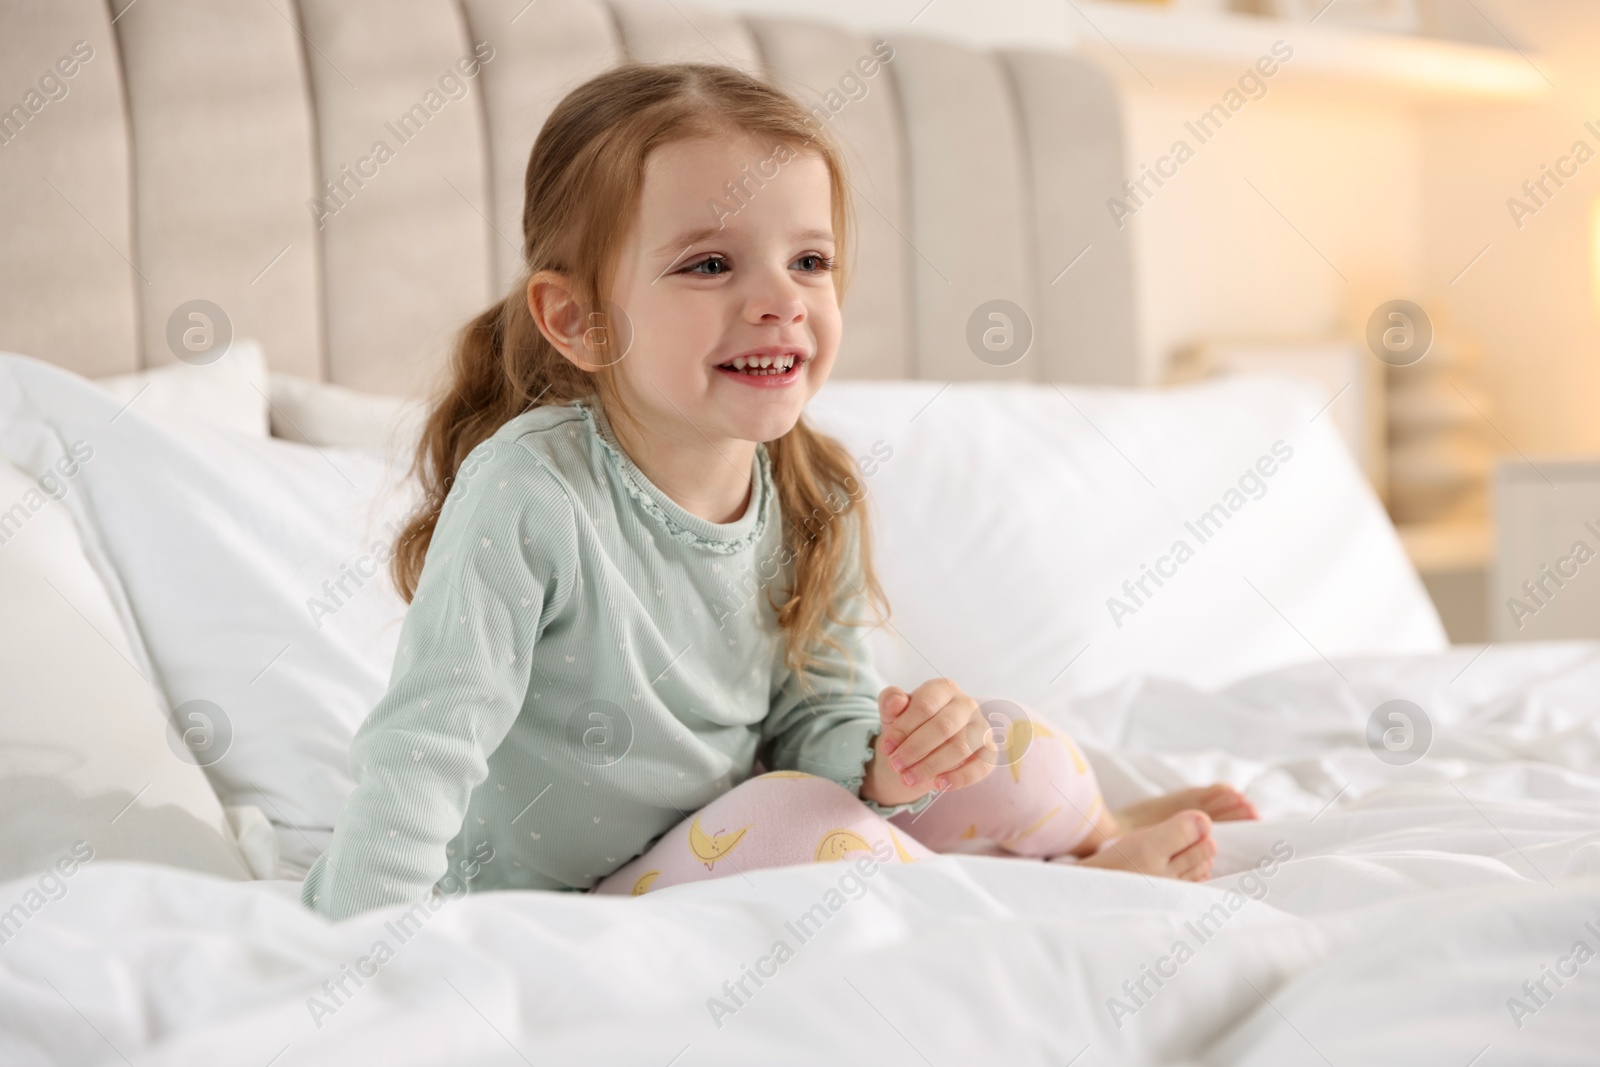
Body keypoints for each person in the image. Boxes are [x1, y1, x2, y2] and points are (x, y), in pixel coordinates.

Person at [300, 61, 1256, 921]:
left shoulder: (815, 489)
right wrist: (362, 944)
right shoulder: (530, 492)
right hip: (558, 902)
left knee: (1016, 746)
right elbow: (427, 741)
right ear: (580, 319)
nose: (780, 299)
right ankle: (1063, 898)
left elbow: (819, 719)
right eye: (710, 264)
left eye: (809, 260)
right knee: (798, 823)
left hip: (724, 834)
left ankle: (1092, 828)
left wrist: (889, 764)